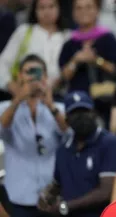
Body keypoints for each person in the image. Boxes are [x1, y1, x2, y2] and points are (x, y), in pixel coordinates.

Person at [0, 54, 68, 217]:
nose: (32, 77)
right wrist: (18, 99)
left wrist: (50, 105)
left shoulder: (58, 107)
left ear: (45, 76)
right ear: (19, 76)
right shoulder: (5, 107)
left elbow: (69, 135)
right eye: (28, 72)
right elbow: (1, 129)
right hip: (18, 193)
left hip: (51, 193)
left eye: (37, 72)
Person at [38, 91, 116, 217]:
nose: (81, 117)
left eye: (85, 111)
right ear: (66, 119)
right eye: (75, 113)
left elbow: (107, 191)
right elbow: (57, 183)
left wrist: (67, 206)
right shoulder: (63, 149)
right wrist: (46, 196)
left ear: (94, 113)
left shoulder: (109, 143)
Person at [0, 0, 70, 94]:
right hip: (27, 97)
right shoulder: (24, 32)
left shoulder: (68, 36)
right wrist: (13, 87)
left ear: (59, 8)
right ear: (35, 10)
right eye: (42, 8)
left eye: (51, 7)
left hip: (59, 96)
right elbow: (2, 63)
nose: (47, 12)